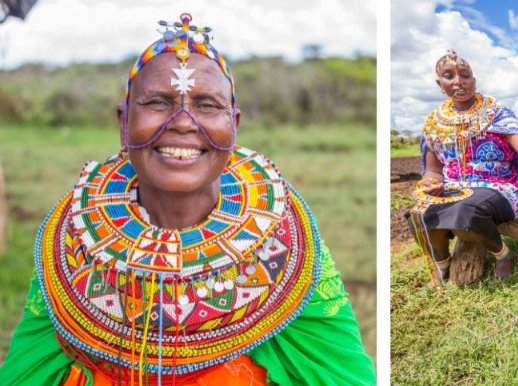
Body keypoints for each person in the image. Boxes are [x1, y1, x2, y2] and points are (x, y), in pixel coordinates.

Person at [0, 14, 375, 385]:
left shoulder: (285, 240)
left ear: (235, 125)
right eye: (158, 102)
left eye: (207, 105)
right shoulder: (76, 239)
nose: (181, 121)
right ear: (123, 123)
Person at [409, 50, 518, 283]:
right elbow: (433, 170)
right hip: (452, 189)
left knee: (466, 211)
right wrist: (432, 184)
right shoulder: (435, 123)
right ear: (439, 83)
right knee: (418, 214)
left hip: (499, 188)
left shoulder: (494, 113)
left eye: (465, 75)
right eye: (449, 76)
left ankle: (504, 255)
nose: (458, 81)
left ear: (474, 80)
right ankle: (442, 263)